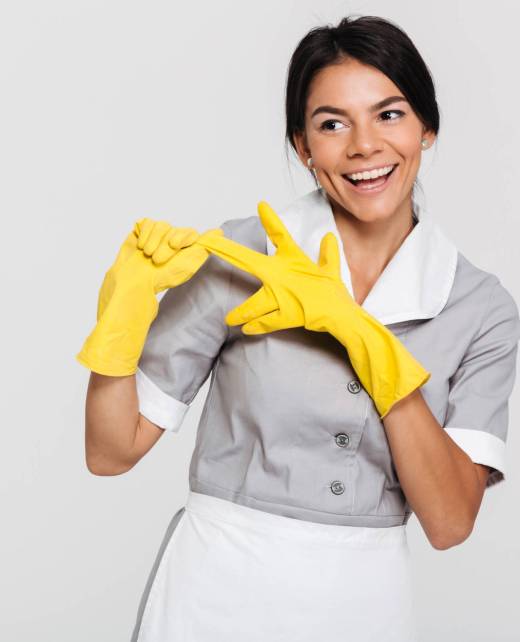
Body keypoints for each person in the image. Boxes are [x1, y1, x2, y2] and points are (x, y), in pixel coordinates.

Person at [76, 15, 520, 642]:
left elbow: (450, 522)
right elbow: (109, 452)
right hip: (214, 592)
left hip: (364, 607)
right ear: (303, 148)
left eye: (389, 115)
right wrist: (118, 327)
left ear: (428, 128)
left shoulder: (479, 307)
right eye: (332, 124)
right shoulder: (243, 255)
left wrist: (371, 346)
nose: (364, 145)